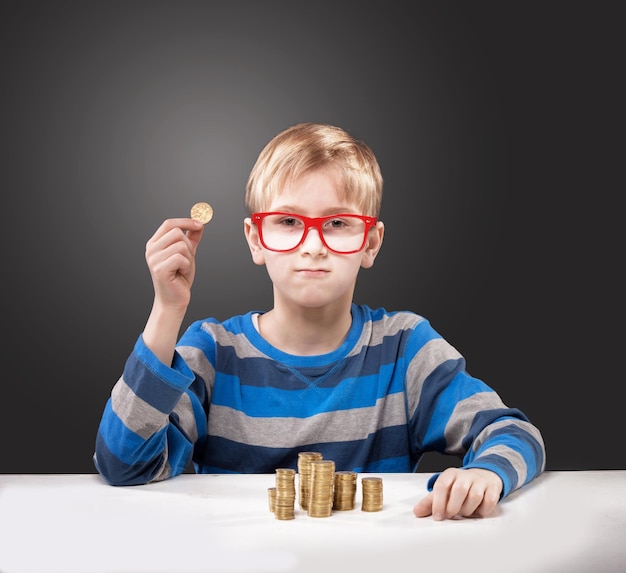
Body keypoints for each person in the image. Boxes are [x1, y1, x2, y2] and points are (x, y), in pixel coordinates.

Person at [94, 122, 546, 521]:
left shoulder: (406, 349)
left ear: (370, 242)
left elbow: (514, 432)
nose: (312, 245)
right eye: (289, 221)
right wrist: (166, 311)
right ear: (256, 239)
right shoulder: (212, 351)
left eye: (338, 224)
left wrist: (487, 473)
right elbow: (124, 463)